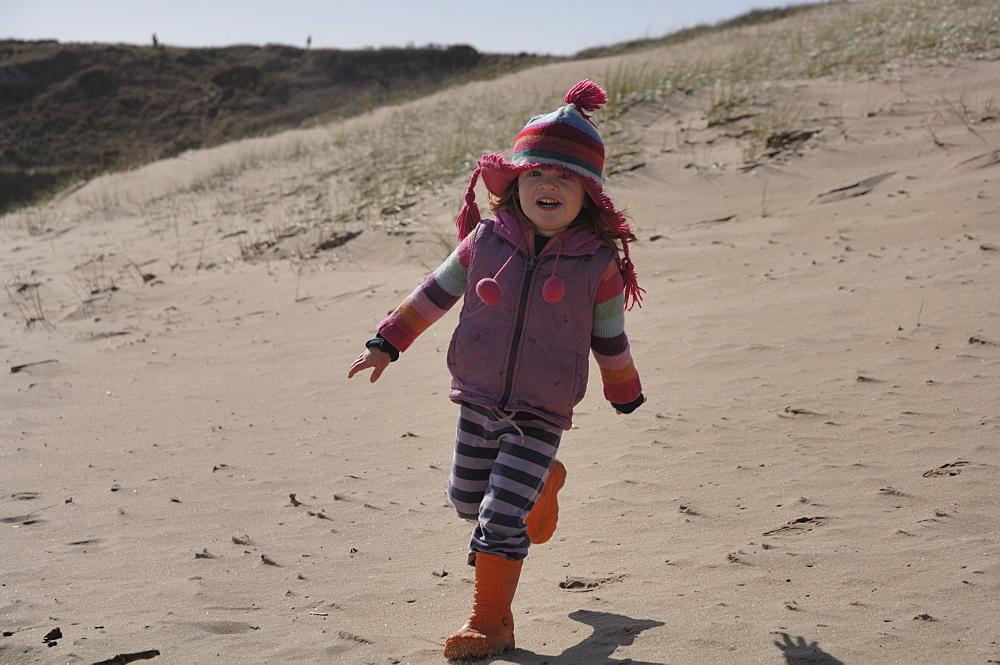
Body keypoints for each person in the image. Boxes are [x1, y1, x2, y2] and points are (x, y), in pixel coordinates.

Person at [347, 79, 645, 660]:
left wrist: (623, 389)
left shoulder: (597, 264)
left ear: (586, 193)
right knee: (466, 501)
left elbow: (610, 335)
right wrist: (387, 341)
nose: (547, 185)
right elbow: (433, 293)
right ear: (514, 185)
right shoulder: (485, 241)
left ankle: (489, 624)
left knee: (497, 516)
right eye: (534, 174)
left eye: (562, 177)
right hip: (479, 396)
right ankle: (544, 485)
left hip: (543, 409)